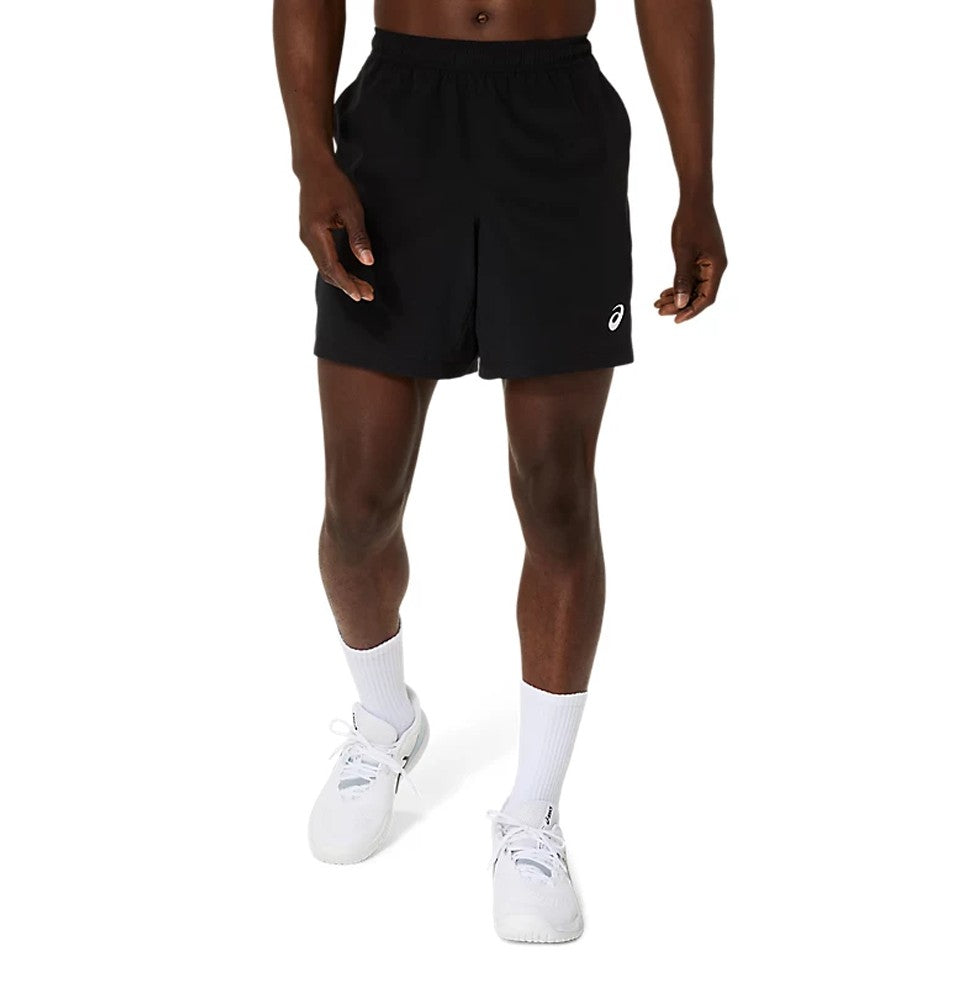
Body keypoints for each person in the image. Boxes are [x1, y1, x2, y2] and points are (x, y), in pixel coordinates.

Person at [273, 0, 726, 943]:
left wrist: (697, 185)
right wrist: (312, 155)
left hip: (555, 122)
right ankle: (385, 721)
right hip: (400, 126)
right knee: (357, 506)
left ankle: (532, 813)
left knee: (557, 494)